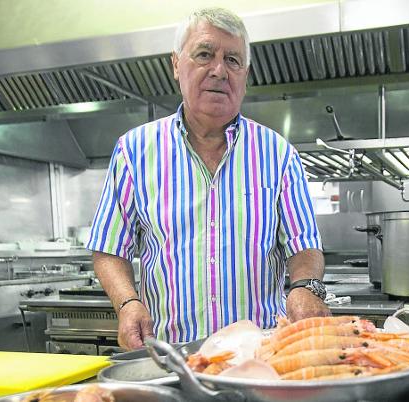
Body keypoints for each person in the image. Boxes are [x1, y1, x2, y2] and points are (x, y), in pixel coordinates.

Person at [87, 7, 330, 350]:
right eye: (204, 54)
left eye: (233, 60)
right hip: (174, 358)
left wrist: (305, 287)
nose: (219, 70)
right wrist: (127, 303)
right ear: (176, 64)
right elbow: (109, 249)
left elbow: (304, 244)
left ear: (245, 74)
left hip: (260, 358)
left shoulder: (277, 153)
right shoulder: (134, 152)